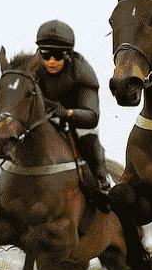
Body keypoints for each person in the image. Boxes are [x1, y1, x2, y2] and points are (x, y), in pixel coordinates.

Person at [32, 20, 111, 203]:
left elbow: (92, 117)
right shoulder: (33, 67)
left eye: (58, 56)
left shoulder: (82, 71)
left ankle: (102, 180)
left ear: (68, 55)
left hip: (77, 120)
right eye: (46, 55)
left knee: (88, 138)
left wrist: (66, 113)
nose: (51, 61)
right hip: (46, 119)